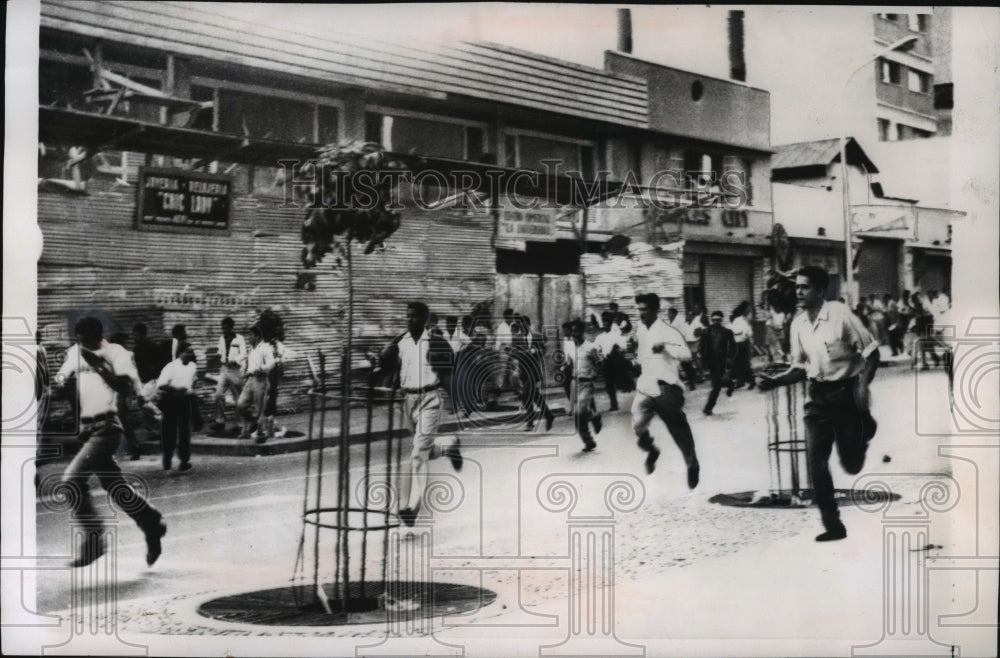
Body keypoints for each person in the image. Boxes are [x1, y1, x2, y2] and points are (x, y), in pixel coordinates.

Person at [757, 266, 879, 542]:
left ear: (820, 291)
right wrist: (774, 381)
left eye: (805, 287)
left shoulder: (840, 315)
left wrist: (862, 387)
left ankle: (863, 427)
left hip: (847, 394)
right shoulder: (798, 325)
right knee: (816, 463)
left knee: (852, 465)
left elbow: (871, 353)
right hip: (818, 398)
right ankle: (833, 526)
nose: (798, 292)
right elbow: (799, 367)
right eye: (797, 286)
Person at [53, 316, 166, 567]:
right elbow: (62, 377)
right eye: (80, 341)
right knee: (115, 486)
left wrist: (101, 366)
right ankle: (151, 523)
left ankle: (95, 539)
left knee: (71, 481)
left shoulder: (118, 354)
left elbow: (127, 387)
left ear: (99, 337)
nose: (84, 345)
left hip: (108, 426)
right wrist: (59, 384)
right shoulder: (75, 352)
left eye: (88, 341)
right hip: (88, 428)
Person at [378, 302, 462, 527]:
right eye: (407, 316)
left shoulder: (435, 342)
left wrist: (455, 396)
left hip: (430, 399)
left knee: (417, 454)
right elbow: (387, 367)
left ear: (424, 320)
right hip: (408, 401)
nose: (409, 320)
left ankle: (413, 507)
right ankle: (449, 445)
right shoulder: (400, 342)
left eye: (414, 317)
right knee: (424, 449)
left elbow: (449, 369)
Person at [629, 293, 700, 485]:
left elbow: (686, 354)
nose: (641, 313)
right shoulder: (640, 330)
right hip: (646, 386)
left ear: (654, 310)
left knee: (677, 429)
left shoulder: (669, 331)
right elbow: (643, 355)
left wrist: (666, 348)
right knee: (637, 423)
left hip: (666, 386)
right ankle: (652, 450)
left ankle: (692, 463)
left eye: (644, 309)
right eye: (639, 309)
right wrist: (635, 361)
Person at [156, 342, 198, 471]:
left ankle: (184, 460)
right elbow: (161, 384)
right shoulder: (171, 367)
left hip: (185, 400)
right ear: (180, 353)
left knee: (185, 430)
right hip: (170, 399)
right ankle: (167, 458)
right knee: (169, 430)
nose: (189, 354)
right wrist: (176, 388)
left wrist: (190, 389)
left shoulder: (192, 366)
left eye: (191, 351)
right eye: (187, 351)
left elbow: (192, 381)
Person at [565, 319, 604, 451]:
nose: (573, 334)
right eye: (572, 332)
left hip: (587, 383)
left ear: (582, 332)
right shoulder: (571, 347)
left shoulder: (590, 347)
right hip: (574, 383)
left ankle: (595, 417)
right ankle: (589, 441)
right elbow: (570, 364)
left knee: (579, 411)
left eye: (576, 331)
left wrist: (595, 374)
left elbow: (599, 363)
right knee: (575, 415)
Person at [512, 315, 555, 431]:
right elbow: (513, 352)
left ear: (528, 324)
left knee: (526, 393)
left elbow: (544, 350)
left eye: (524, 324)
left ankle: (530, 420)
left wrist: (534, 351)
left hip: (533, 370)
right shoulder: (516, 338)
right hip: (523, 370)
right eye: (520, 324)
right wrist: (516, 364)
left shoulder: (536, 336)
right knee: (533, 395)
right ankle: (548, 415)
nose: (522, 326)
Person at [108, 333, 142, 460]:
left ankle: (132, 448)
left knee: (119, 422)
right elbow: (134, 376)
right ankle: (133, 448)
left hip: (118, 392)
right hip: (120, 391)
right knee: (120, 422)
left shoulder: (122, 355)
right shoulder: (126, 355)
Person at [237, 324, 274, 439]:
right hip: (250, 380)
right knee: (241, 405)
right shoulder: (251, 349)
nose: (249, 338)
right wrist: (245, 372)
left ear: (257, 336)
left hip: (261, 380)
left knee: (259, 408)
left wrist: (261, 369)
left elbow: (271, 363)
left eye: (251, 335)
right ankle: (254, 424)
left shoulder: (265, 348)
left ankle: (257, 432)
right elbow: (249, 365)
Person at [212, 317, 246, 432]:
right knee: (218, 394)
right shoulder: (221, 338)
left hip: (235, 370)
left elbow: (244, 354)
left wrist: (235, 359)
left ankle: (239, 424)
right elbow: (220, 351)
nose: (224, 330)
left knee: (238, 397)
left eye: (226, 328)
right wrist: (217, 355)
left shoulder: (239, 338)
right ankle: (220, 421)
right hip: (224, 369)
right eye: (222, 328)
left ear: (231, 327)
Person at [700, 311, 737, 415]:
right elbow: (702, 348)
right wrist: (703, 362)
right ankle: (730, 383)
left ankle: (708, 408)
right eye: (714, 320)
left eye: (718, 320)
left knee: (716, 386)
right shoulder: (706, 332)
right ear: (712, 320)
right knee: (717, 382)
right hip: (710, 360)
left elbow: (733, 346)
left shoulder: (727, 332)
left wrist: (730, 358)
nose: (716, 322)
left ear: (721, 320)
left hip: (721, 360)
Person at [594, 311, 624, 412]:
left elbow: (622, 347)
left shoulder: (616, 335)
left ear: (611, 324)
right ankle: (614, 403)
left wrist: (617, 350)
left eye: (608, 322)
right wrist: (600, 356)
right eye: (604, 322)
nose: (605, 324)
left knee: (618, 382)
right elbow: (596, 348)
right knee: (608, 384)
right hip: (606, 362)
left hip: (615, 362)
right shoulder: (600, 337)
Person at [730, 301, 756, 390]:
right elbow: (734, 331)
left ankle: (752, 381)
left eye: (749, 310)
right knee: (738, 364)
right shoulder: (737, 320)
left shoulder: (745, 321)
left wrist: (749, 338)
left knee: (744, 364)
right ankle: (740, 381)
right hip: (737, 344)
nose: (748, 312)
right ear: (742, 311)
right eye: (747, 310)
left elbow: (749, 332)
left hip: (743, 344)